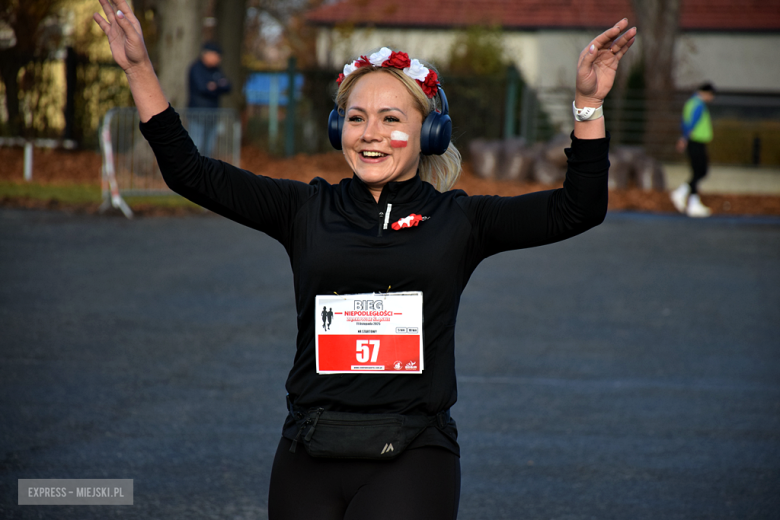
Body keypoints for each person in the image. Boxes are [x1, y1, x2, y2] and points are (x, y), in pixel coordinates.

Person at [93, 2, 635, 518]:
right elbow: (189, 171)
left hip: (413, 453)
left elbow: (577, 209)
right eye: (356, 118)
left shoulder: (461, 220)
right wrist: (139, 68)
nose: (370, 133)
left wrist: (588, 106)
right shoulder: (304, 209)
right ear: (338, 130)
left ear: (429, 132)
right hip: (309, 446)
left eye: (390, 118)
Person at [671, 82, 716, 218]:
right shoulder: (698, 104)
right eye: (711, 95)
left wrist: (683, 138)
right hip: (696, 141)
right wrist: (684, 138)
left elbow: (683, 121)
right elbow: (692, 122)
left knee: (698, 171)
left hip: (694, 141)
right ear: (706, 93)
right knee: (700, 171)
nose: (712, 98)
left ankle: (691, 201)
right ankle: (685, 197)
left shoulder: (690, 103)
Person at [187, 41, 231, 157]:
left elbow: (227, 87)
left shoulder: (216, 70)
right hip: (198, 115)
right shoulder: (196, 68)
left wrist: (214, 86)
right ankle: (193, 174)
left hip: (213, 115)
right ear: (207, 54)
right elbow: (203, 88)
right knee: (196, 147)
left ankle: (205, 175)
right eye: (216, 55)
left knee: (208, 150)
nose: (218, 59)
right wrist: (218, 86)